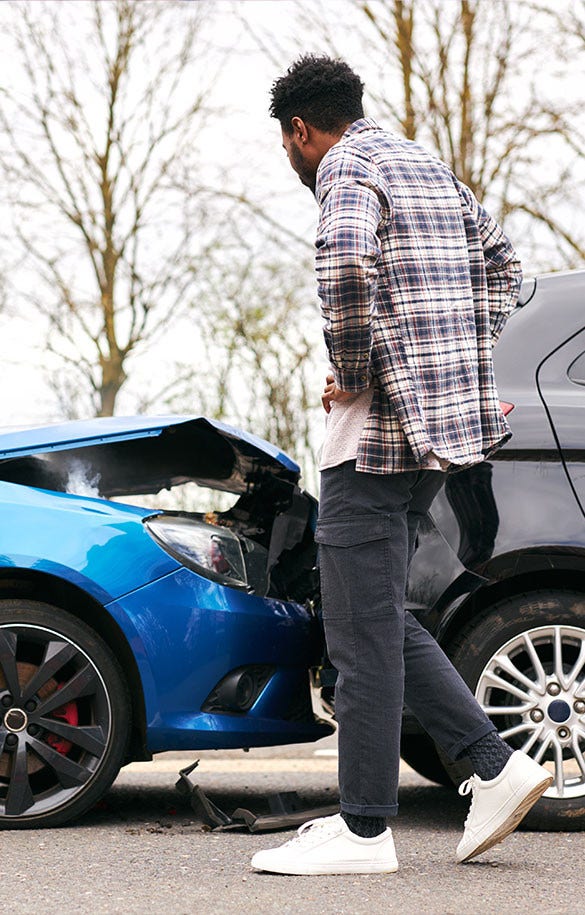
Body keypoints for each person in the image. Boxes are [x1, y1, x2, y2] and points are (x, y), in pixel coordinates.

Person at [251, 55, 552, 876]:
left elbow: (345, 263)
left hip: (374, 439)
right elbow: (503, 264)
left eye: (288, 146)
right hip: (434, 437)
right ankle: (494, 766)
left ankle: (362, 829)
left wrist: (353, 367)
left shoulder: (344, 166)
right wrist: (458, 366)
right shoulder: (420, 161)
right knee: (381, 616)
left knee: (356, 632)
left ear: (300, 132)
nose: (294, 161)